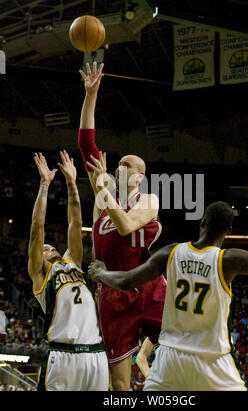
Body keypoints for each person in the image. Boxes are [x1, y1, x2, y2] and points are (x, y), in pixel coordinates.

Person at [88, 164, 248, 391]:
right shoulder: (228, 260)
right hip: (213, 362)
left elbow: (126, 281)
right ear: (228, 232)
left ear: (202, 222)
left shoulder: (171, 252)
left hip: (170, 361)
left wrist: (101, 273)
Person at [77, 62, 166, 391]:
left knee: (177, 351)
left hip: (149, 284)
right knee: (119, 383)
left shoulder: (149, 200)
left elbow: (127, 225)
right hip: (113, 290)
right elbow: (87, 145)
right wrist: (91, 95)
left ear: (140, 176)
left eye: (127, 164)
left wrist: (102, 188)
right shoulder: (103, 198)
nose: (119, 167)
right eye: (118, 164)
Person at [28, 151, 109, 391]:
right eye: (44, 249)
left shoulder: (72, 261)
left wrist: (72, 182)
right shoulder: (41, 277)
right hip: (63, 356)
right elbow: (37, 227)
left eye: (52, 246)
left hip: (95, 353)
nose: (49, 247)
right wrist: (45, 185)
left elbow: (75, 220)